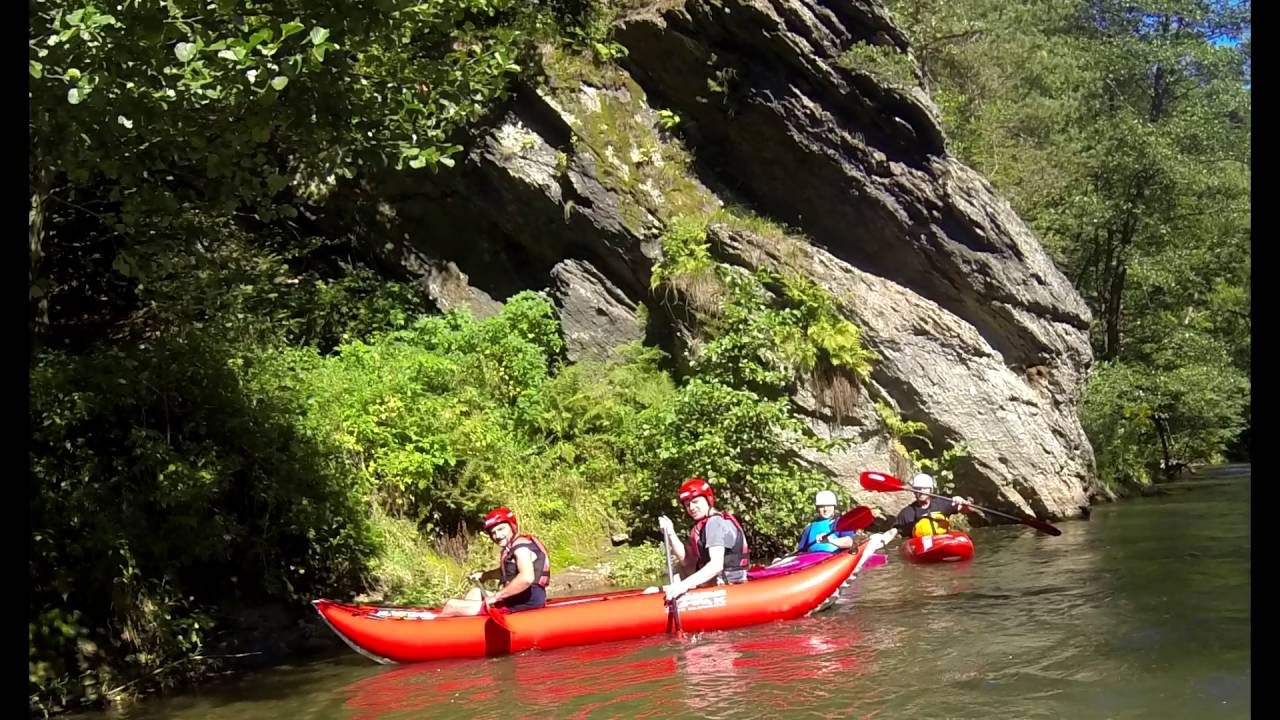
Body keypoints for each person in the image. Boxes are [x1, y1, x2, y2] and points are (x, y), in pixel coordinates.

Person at [439, 506, 551, 617]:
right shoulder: (516, 545)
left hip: (522, 605)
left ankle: (438, 630)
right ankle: (473, 630)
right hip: (518, 600)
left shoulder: (520, 549)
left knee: (452, 605)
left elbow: (526, 578)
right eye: (493, 532)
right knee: (475, 592)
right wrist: (484, 576)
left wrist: (497, 596)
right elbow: (507, 572)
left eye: (501, 529)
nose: (497, 535)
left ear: (512, 526)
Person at [657, 477, 751, 601]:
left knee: (661, 588)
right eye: (687, 505)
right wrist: (670, 533)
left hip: (731, 587)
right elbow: (687, 561)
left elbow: (716, 565)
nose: (691, 507)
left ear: (709, 500)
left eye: (696, 502)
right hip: (714, 585)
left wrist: (683, 586)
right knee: (651, 591)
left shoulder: (715, 523)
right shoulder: (704, 525)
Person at [879, 473, 970, 544]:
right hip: (921, 545)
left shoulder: (942, 503)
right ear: (914, 492)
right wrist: (880, 540)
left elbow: (967, 510)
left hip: (943, 540)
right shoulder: (907, 513)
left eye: (924, 489)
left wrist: (964, 503)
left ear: (931, 490)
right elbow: (893, 532)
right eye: (917, 489)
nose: (921, 492)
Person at [794, 490, 860, 553]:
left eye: (829, 505)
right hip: (814, 562)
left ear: (834, 506)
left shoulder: (842, 523)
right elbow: (801, 552)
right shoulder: (809, 529)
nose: (825, 509)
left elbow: (849, 542)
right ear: (817, 508)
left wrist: (829, 540)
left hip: (835, 560)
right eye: (822, 506)